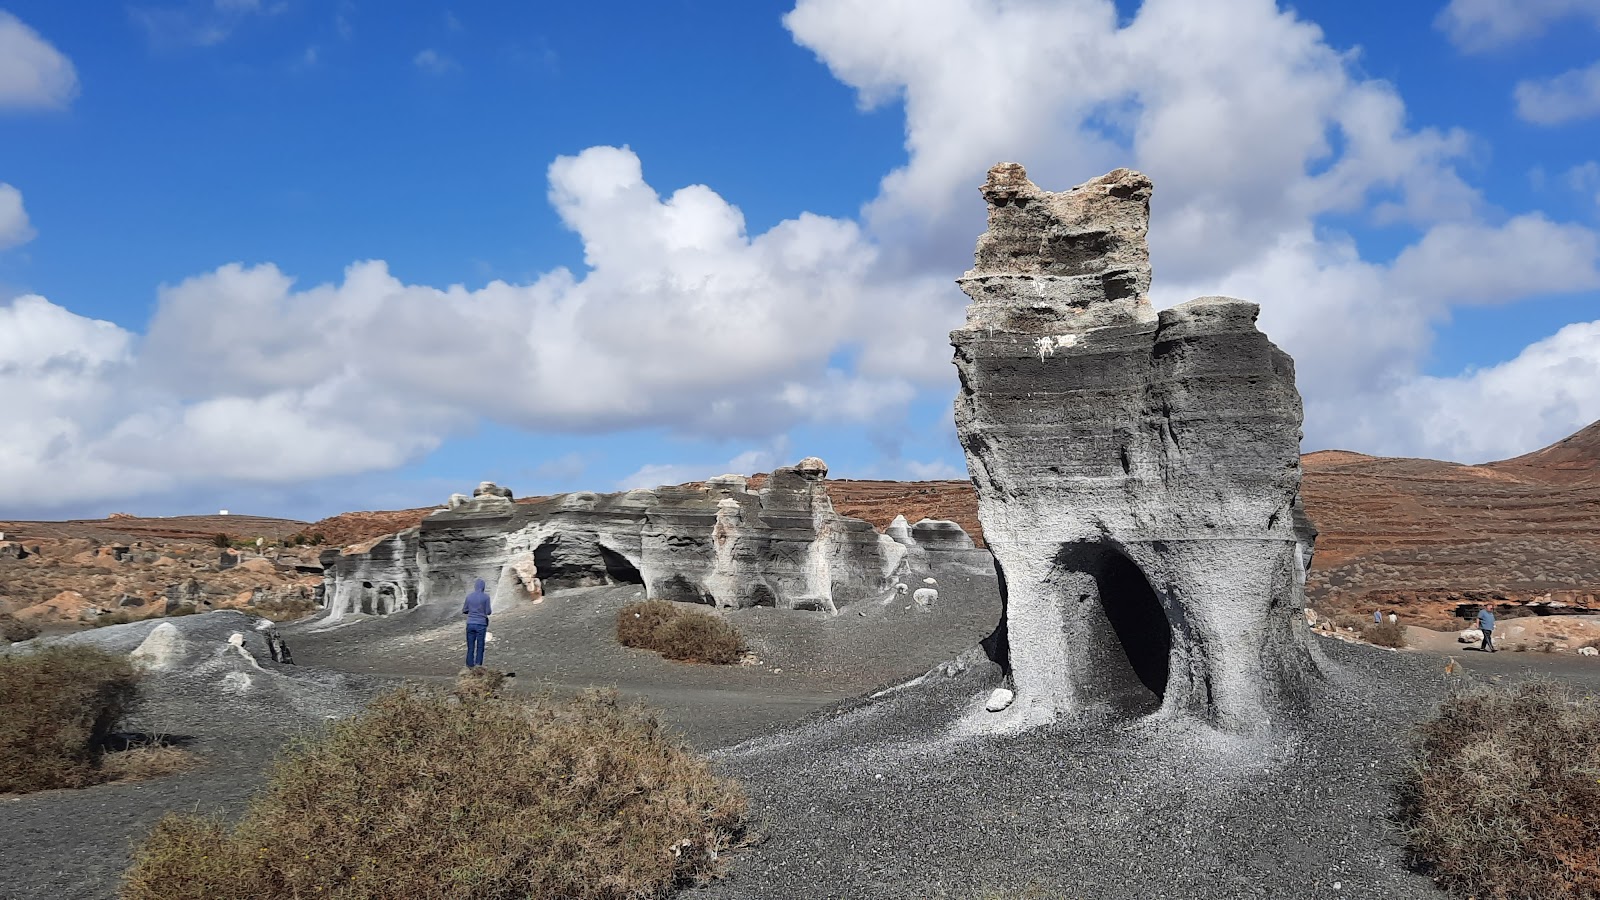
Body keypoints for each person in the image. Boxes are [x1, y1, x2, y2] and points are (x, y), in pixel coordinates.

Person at [462, 578, 492, 668]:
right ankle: (478, 665)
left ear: (475, 587)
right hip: (481, 623)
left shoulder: (469, 596)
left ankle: (469, 665)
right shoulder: (486, 597)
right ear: (483, 587)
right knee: (480, 646)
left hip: (470, 623)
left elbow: (464, 610)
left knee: (470, 646)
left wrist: (472, 611)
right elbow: (488, 612)